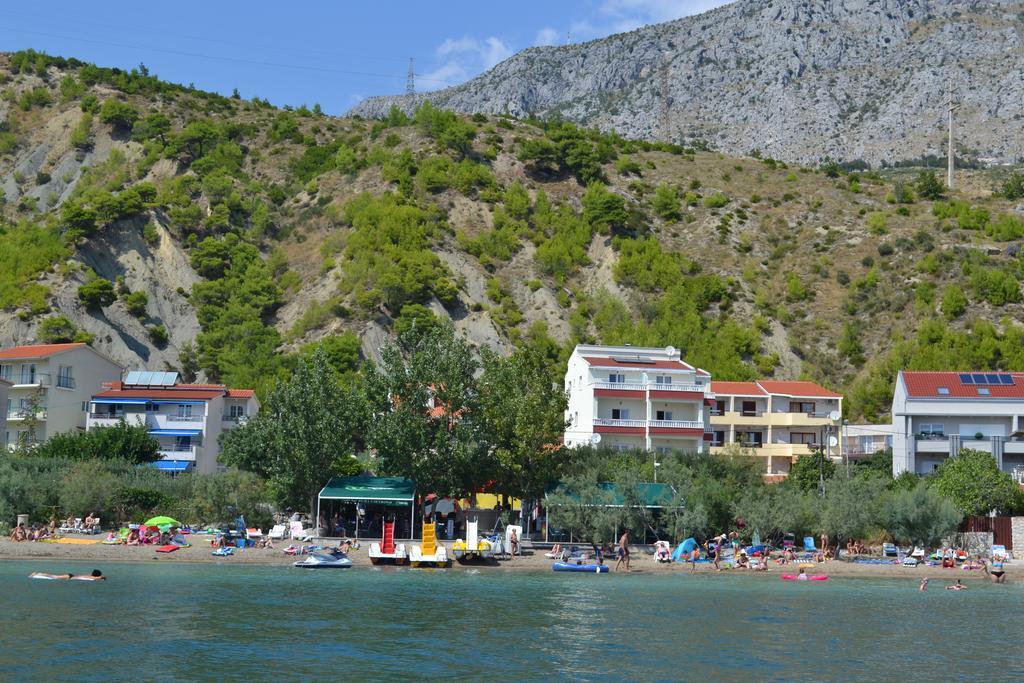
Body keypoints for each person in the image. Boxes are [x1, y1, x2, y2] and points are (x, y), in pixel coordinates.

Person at [30, 569, 105, 581]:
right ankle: (35, 574)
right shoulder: (93, 577)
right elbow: (100, 577)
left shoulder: (89, 576)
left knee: (53, 576)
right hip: (70, 577)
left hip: (71, 576)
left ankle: (37, 574)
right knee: (54, 577)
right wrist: (103, 578)